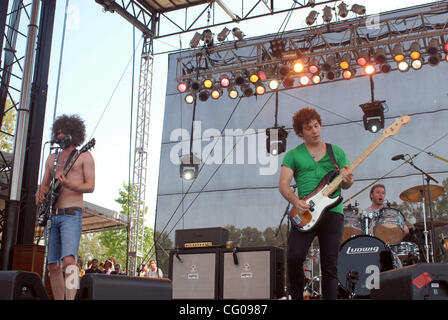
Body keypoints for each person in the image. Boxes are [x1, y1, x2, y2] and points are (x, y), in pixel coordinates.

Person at [279, 107, 354, 300]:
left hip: (332, 212)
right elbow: (283, 185)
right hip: (306, 212)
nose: (315, 131)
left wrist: (347, 178)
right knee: (294, 257)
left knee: (330, 264)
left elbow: (346, 185)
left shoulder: (336, 152)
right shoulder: (294, 155)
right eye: (309, 128)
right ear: (300, 132)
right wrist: (296, 201)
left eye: (317, 125)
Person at [35, 114, 95, 300]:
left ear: (73, 133)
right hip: (52, 215)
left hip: (71, 213)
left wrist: (69, 184)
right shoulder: (52, 158)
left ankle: (71, 298)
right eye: (57, 132)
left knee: (69, 261)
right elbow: (44, 184)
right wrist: (40, 193)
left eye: (63, 132)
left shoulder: (84, 155)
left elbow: (90, 186)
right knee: (52, 265)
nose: (59, 135)